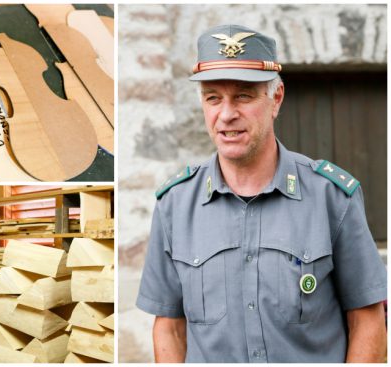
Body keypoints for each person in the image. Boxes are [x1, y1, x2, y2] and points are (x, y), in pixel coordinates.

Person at [136, 24, 387, 363]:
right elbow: (169, 327)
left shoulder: (331, 197)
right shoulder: (175, 206)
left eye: (243, 95)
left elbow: (368, 319)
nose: (226, 115)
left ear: (276, 99)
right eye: (213, 98)